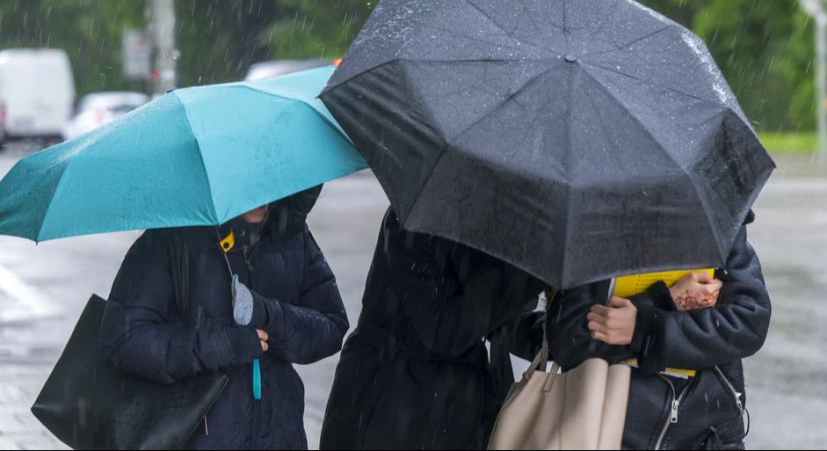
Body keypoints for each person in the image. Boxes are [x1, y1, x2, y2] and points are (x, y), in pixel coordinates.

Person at [99, 186, 349, 450]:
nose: (262, 193)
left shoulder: (292, 235)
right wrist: (219, 344)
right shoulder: (170, 239)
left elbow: (330, 326)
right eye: (251, 182)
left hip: (280, 435)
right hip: (198, 435)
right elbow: (123, 338)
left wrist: (269, 315)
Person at [319, 207, 545, 450]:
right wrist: (527, 276)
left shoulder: (500, 222)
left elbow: (505, 324)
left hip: (461, 412)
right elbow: (444, 328)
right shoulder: (414, 216)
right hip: (390, 403)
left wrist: (571, 332)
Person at [546, 211, 770, 450]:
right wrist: (660, 303)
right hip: (609, 431)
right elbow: (568, 339)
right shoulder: (594, 225)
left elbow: (748, 322)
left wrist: (647, 329)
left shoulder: (718, 219)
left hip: (708, 435)